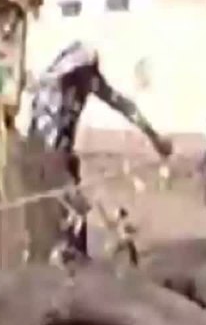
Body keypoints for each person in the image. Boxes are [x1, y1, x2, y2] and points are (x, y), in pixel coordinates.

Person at [28, 41, 171, 257]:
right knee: (64, 209)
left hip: (61, 155)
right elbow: (45, 135)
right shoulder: (53, 89)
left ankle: (75, 253)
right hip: (45, 156)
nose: (92, 80)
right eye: (88, 72)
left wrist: (153, 136)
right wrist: (57, 167)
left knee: (75, 209)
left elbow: (121, 103)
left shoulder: (84, 82)